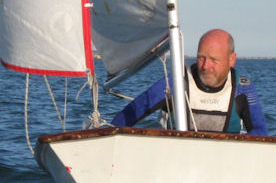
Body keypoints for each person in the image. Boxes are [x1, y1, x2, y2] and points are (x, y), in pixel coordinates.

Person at [112, 29, 268, 135]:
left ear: (231, 59)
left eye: (214, 60)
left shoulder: (243, 89)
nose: (206, 66)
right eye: (201, 57)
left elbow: (260, 134)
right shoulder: (176, 82)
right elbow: (129, 114)